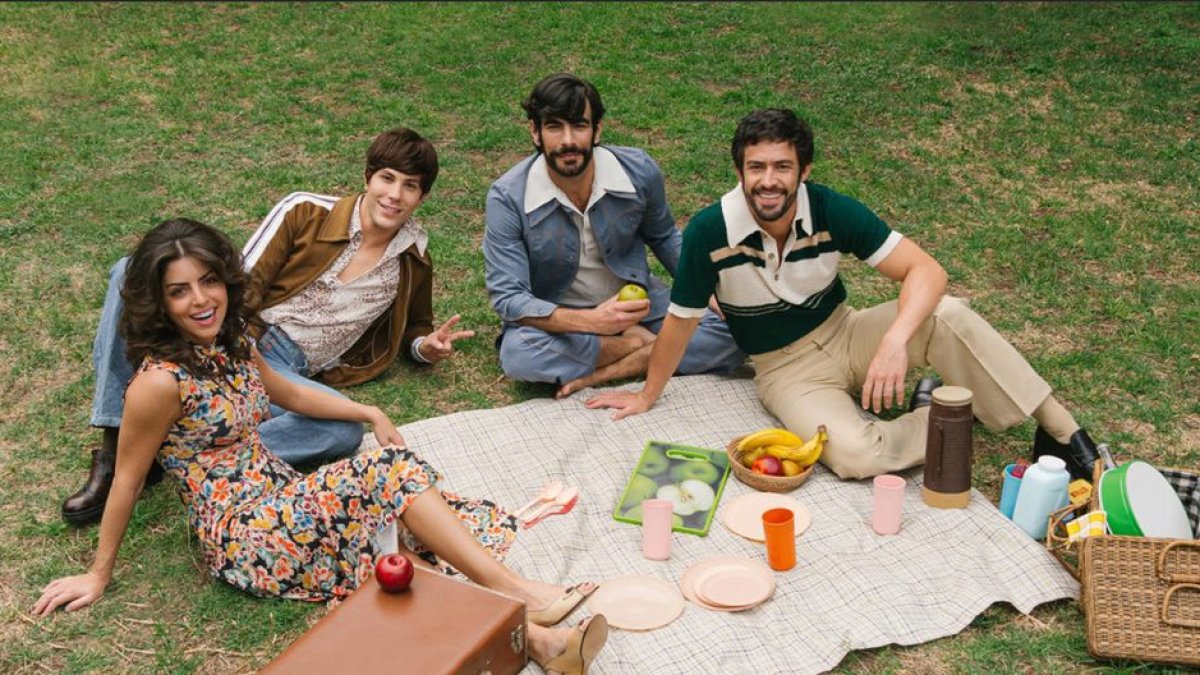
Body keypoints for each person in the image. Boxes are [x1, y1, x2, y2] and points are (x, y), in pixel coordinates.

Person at [33, 219, 607, 675]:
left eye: (209, 281)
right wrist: (98, 574)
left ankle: (542, 642)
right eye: (179, 291)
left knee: (390, 540)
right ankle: (517, 593)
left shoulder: (229, 341)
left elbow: (285, 391)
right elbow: (128, 478)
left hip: (281, 494)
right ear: (160, 302)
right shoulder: (158, 382)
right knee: (385, 479)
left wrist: (367, 409)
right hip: (243, 532)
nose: (201, 300)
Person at [587, 108, 1099, 481]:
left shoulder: (830, 209)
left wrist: (895, 342)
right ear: (740, 172)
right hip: (785, 371)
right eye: (756, 168)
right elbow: (680, 321)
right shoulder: (709, 231)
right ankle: (945, 418)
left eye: (782, 167)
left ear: (803, 171)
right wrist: (648, 394)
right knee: (853, 456)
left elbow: (926, 270)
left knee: (947, 314)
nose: (769, 181)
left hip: (848, 333)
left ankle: (1064, 433)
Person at [62, 127, 475, 526]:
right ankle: (117, 447)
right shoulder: (306, 211)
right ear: (368, 177)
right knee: (127, 272)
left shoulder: (413, 259)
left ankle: (196, 460)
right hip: (249, 337)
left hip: (291, 368)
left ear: (422, 197)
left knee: (343, 429)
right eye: (387, 179)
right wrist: (227, 348)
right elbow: (243, 281)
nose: (395, 195)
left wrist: (427, 346)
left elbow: (415, 330)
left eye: (410, 186)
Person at [483, 73, 744, 398]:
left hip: (639, 304)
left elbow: (664, 236)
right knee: (518, 355)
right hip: (563, 315)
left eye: (579, 125)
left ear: (597, 129)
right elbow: (509, 298)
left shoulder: (638, 171)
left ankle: (619, 364)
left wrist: (703, 288)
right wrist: (592, 321)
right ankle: (642, 346)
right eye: (554, 127)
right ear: (535, 132)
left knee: (739, 329)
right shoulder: (508, 197)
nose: (568, 141)